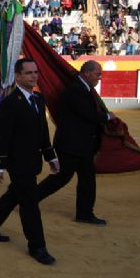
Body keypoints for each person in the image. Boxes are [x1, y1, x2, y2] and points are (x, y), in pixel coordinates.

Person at [0, 58, 60, 265]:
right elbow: (2, 137)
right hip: (17, 163)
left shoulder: (38, 100)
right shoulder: (10, 103)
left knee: (14, 195)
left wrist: (50, 156)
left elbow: (43, 131)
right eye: (29, 72)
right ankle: (37, 246)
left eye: (36, 72)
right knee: (30, 204)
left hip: (32, 161)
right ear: (18, 76)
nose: (34, 75)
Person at [37, 60, 113, 225]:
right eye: (98, 74)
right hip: (71, 144)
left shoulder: (81, 89)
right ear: (87, 73)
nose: (99, 78)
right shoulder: (76, 90)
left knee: (87, 178)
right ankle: (29, 199)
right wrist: (107, 117)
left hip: (82, 144)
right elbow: (87, 114)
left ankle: (85, 213)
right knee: (62, 178)